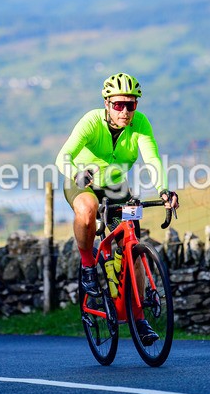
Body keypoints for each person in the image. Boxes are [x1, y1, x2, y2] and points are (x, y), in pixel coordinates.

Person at [55, 72, 179, 345]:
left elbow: (153, 159)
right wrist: (76, 172)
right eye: (119, 104)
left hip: (115, 187)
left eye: (131, 105)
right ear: (107, 103)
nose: (125, 110)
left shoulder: (141, 124)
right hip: (81, 181)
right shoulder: (91, 121)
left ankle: (138, 318)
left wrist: (164, 190)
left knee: (132, 248)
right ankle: (88, 264)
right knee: (87, 208)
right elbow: (63, 156)